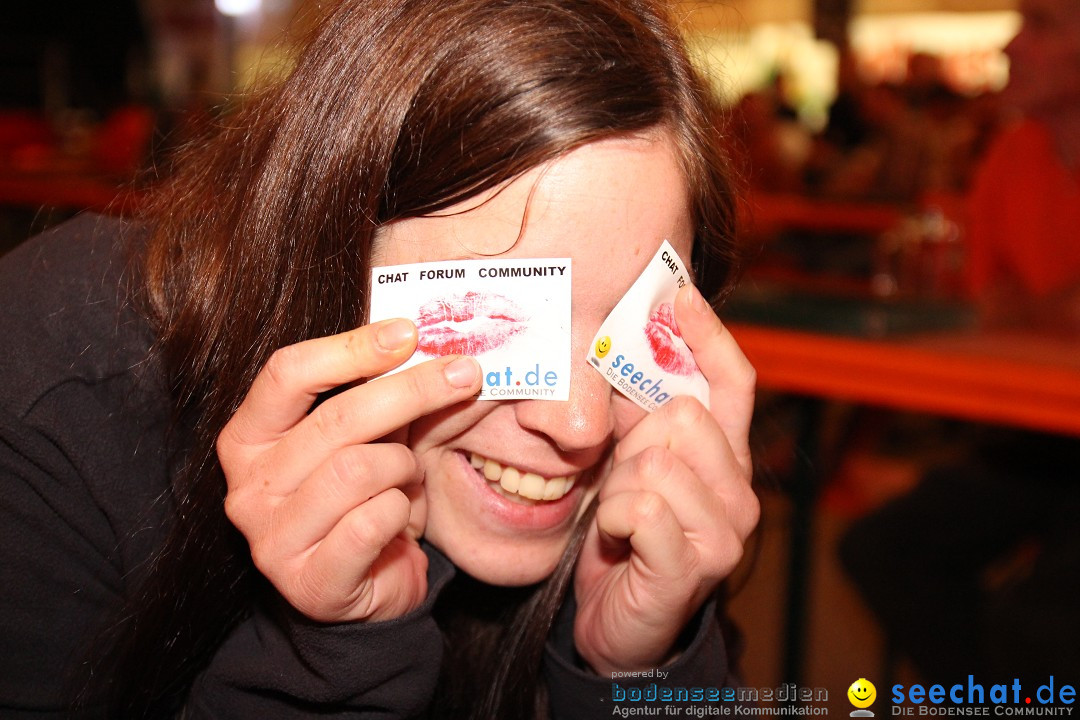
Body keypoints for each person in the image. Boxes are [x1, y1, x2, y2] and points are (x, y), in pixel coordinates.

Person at [0, 0, 759, 718]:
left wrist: (638, 668)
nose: (583, 423)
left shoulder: (652, 466)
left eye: (633, 333)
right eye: (498, 321)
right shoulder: (56, 389)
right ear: (328, 259)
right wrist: (325, 661)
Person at [840, 0, 1080, 687]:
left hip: (1043, 442)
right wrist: (1052, 306)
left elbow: (1008, 303)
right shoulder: (1014, 152)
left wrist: (1029, 308)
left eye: (1044, 25)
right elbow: (987, 303)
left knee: (1037, 621)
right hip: (1038, 439)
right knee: (882, 548)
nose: (1012, 45)